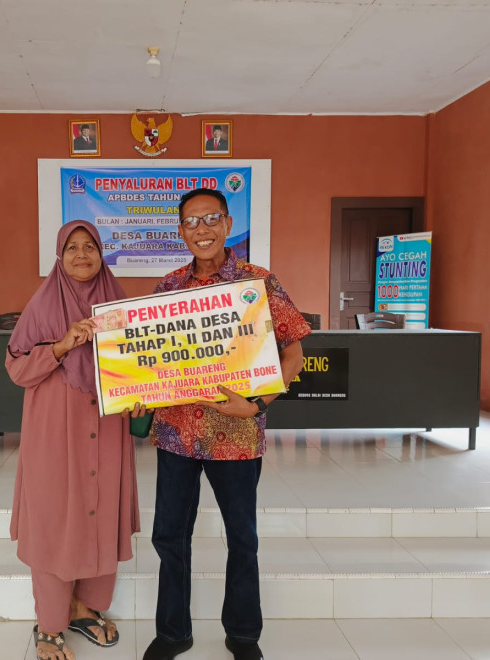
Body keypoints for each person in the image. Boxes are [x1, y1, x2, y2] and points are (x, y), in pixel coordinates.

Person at [142, 189, 311, 660]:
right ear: (180, 231)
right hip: (176, 433)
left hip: (236, 435)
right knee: (169, 537)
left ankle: (243, 634)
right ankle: (173, 633)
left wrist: (257, 405)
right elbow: (149, 362)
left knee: (242, 537)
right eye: (191, 222)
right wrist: (137, 393)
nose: (202, 230)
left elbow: (294, 354)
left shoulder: (258, 283)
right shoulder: (168, 288)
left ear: (228, 223)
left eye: (211, 219)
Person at [6, 220, 141, 660]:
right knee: (54, 515)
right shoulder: (41, 307)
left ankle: (85, 607)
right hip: (54, 428)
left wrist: (143, 396)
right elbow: (17, 369)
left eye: (90, 247)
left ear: (101, 254)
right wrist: (61, 346)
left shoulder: (119, 304)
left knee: (101, 508)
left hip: (107, 424)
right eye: (72, 248)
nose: (82, 255)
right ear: (59, 257)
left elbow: (141, 364)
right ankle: (50, 624)